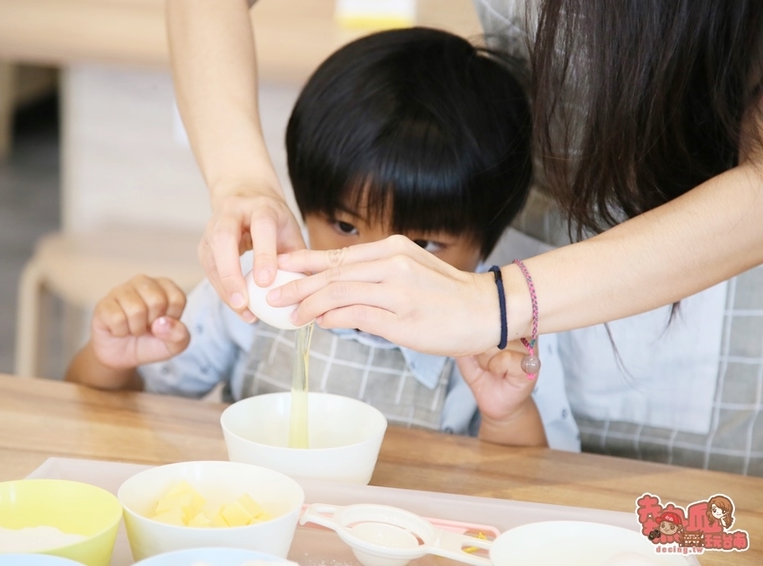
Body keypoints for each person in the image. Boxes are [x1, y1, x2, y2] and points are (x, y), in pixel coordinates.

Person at [66, 27, 580, 450]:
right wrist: (111, 356)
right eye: (346, 226)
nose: (369, 266)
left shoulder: (497, 336)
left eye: (424, 247)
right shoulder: (248, 296)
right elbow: (105, 407)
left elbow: (533, 484)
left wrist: (506, 413)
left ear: (488, 244)